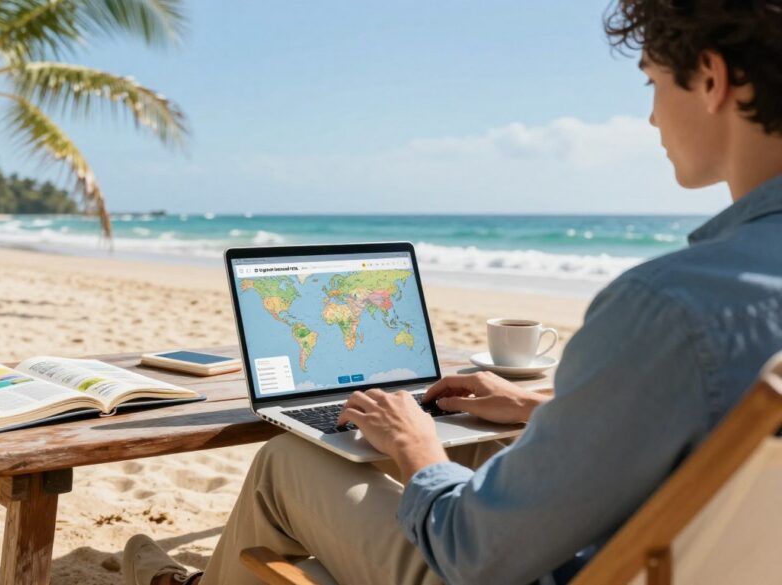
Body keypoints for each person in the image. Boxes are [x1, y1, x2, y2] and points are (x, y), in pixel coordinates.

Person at [122, 1, 782, 583]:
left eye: (653, 84)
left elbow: (473, 551)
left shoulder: (668, 308)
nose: (648, 116)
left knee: (287, 460)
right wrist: (532, 406)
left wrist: (416, 447)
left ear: (712, 78)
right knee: (491, 444)